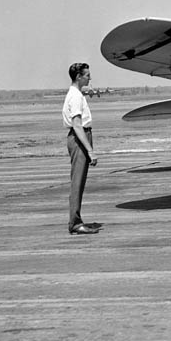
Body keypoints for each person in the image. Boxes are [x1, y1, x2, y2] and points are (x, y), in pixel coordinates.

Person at [63, 62, 102, 235]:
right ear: (79, 77)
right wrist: (90, 150)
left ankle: (76, 220)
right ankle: (75, 223)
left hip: (79, 137)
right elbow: (77, 125)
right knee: (77, 183)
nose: (90, 78)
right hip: (80, 137)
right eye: (87, 75)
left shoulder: (76, 94)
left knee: (78, 182)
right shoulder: (76, 96)